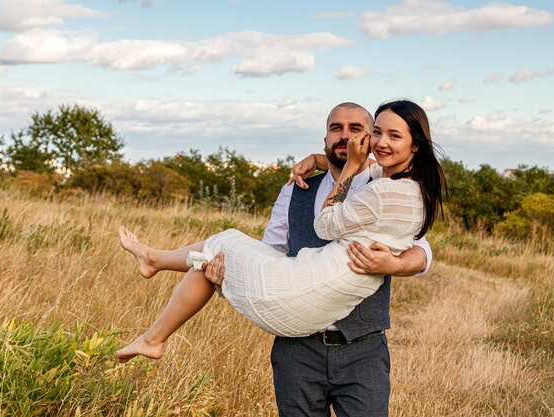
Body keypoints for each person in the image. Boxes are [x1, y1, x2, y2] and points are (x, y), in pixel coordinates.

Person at [117, 100, 444, 416]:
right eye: (336, 129)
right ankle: (157, 277)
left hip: (361, 346)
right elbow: (270, 251)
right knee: (220, 253)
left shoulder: (381, 181)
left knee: (222, 244)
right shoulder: (295, 188)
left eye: (357, 128)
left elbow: (422, 249)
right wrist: (226, 274)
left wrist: (396, 264)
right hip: (298, 348)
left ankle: (155, 266)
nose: (346, 136)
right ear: (326, 137)